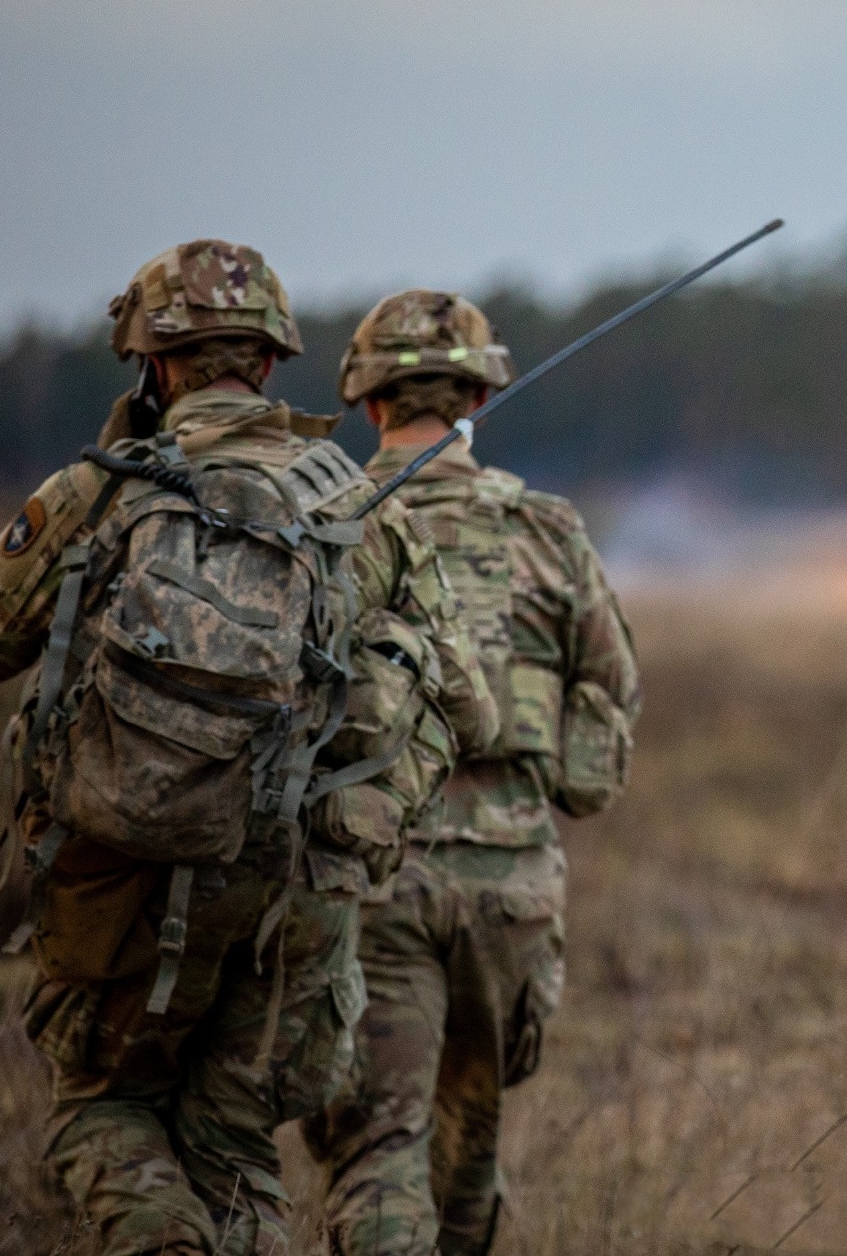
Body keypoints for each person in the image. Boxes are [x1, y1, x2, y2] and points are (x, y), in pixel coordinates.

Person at [0, 240, 497, 1256]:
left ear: (151, 362)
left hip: (113, 875)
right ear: (269, 361)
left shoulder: (101, 486)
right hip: (285, 895)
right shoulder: (352, 502)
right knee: (234, 1142)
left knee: (101, 1111)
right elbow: (474, 711)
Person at [304, 289, 641, 1255]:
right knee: (467, 1146)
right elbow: (609, 696)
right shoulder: (547, 529)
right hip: (511, 892)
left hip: (371, 884)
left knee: (379, 1147)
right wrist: (540, 787)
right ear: (480, 399)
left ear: (368, 401)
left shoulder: (329, 526)